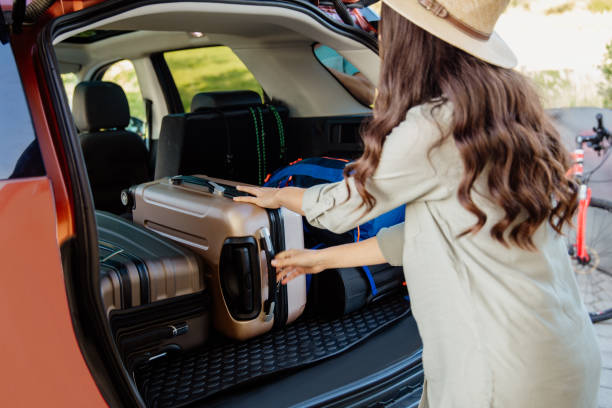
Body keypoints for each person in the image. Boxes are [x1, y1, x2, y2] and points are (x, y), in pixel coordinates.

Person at [235, 0, 602, 406]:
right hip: (563, 351)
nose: (382, 34)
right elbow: (428, 237)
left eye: (387, 24)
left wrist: (280, 193)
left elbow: (345, 206)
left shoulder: (433, 127)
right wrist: (321, 259)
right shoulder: (506, 111)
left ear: (411, 36)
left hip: (502, 372)